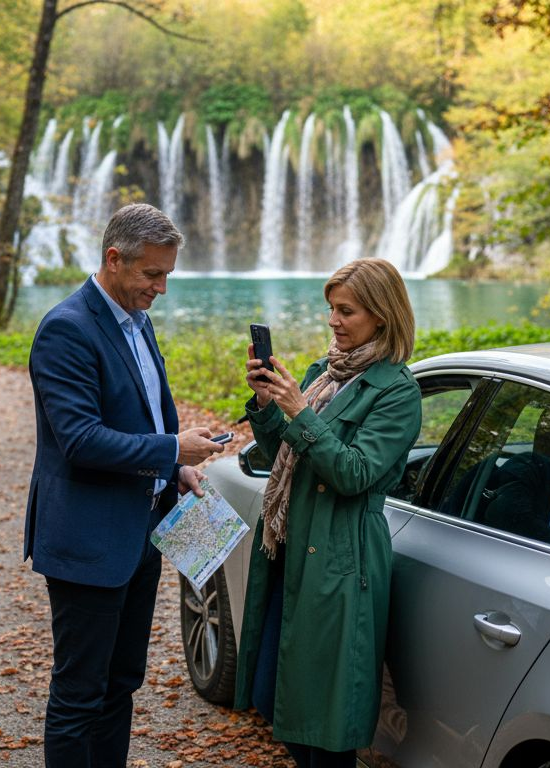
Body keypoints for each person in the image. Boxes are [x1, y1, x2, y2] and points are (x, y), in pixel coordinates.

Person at [23, 203, 225, 767]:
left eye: (167, 274)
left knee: (121, 683)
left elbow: (144, 417)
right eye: (152, 274)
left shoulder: (138, 319)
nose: (161, 288)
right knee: (79, 693)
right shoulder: (66, 328)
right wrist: (171, 450)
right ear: (114, 259)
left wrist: (175, 469)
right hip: (88, 539)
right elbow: (80, 440)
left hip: (141, 534)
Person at [234, 257, 423, 767]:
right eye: (331, 309)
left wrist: (299, 412)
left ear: (381, 315)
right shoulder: (324, 373)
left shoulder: (397, 391)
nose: (334, 321)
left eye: (347, 311)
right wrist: (268, 406)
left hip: (342, 556)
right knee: (275, 695)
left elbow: (354, 474)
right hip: (294, 549)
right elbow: (286, 458)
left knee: (326, 717)